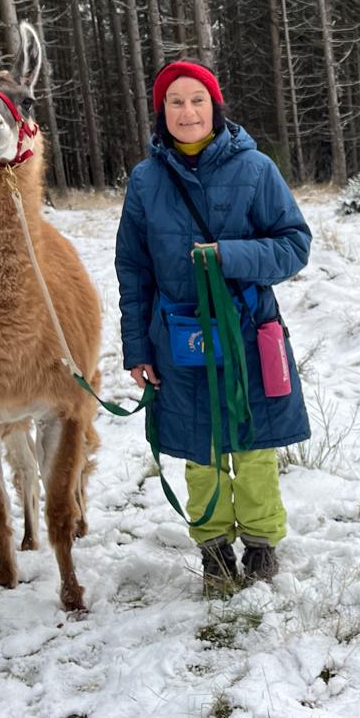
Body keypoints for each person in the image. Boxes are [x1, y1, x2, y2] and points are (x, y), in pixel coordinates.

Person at [116, 61, 311, 591]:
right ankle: (214, 548)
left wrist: (229, 255)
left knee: (253, 446)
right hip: (179, 337)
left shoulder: (256, 169)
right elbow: (133, 269)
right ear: (162, 112)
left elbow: (295, 246)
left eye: (197, 100)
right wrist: (137, 348)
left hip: (248, 331)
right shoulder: (145, 181)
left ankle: (262, 543)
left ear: (214, 106)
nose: (188, 112)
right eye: (175, 102)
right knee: (198, 451)